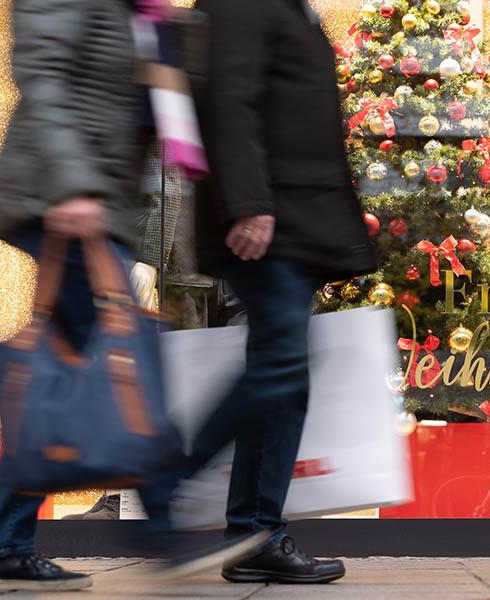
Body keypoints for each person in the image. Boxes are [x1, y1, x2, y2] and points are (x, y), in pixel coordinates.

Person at [138, 0, 376, 585]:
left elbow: (294, 113)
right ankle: (170, 478)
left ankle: (254, 534)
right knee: (279, 370)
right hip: (270, 219)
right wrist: (249, 203)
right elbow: (229, 97)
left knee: (283, 377)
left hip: (294, 216)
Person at [0, 0, 148, 592]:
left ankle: (6, 540)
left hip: (93, 200)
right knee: (102, 359)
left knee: (65, 369)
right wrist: (76, 183)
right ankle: (166, 529)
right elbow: (43, 68)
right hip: (64, 195)